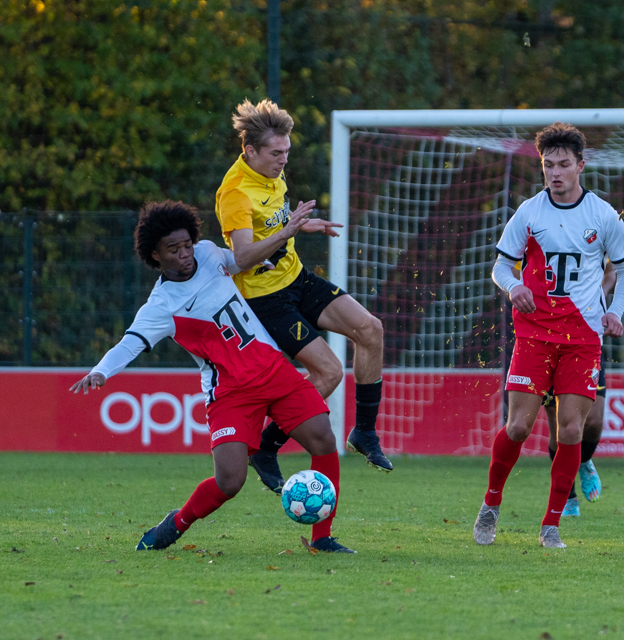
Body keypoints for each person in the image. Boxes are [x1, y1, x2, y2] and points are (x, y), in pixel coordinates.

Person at [69, 201, 355, 553]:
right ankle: (175, 524)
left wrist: (271, 251)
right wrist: (100, 371)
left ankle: (322, 538)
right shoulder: (161, 305)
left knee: (323, 440)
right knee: (229, 482)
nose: (185, 254)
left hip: (273, 371)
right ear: (155, 256)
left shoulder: (207, 253)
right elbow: (130, 343)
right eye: (173, 250)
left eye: (187, 245)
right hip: (231, 393)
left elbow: (238, 260)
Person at [473, 122, 624, 548]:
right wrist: (515, 287)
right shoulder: (529, 212)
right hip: (534, 336)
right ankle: (490, 505)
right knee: (519, 426)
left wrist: (615, 311)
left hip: (583, 339)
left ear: (581, 166)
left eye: (564, 164)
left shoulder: (602, 214)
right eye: (549, 165)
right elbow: (499, 267)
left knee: (570, 431)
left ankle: (551, 525)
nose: (556, 172)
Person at [215, 99, 391, 489]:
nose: (283, 160)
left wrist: (301, 227)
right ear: (250, 151)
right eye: (276, 153)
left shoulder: (272, 177)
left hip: (296, 279)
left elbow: (274, 227)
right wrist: (288, 230)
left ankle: (363, 433)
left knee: (371, 330)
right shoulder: (235, 193)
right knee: (328, 371)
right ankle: (265, 446)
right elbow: (242, 257)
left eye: (287, 152)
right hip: (265, 300)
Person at [545, 261, 617, 516]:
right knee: (559, 429)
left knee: (593, 421)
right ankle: (568, 496)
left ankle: (584, 461)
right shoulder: (534, 232)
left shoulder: (594, 230)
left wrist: (600, 294)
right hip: (545, 338)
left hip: (585, 337)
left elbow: (612, 270)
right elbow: (509, 272)